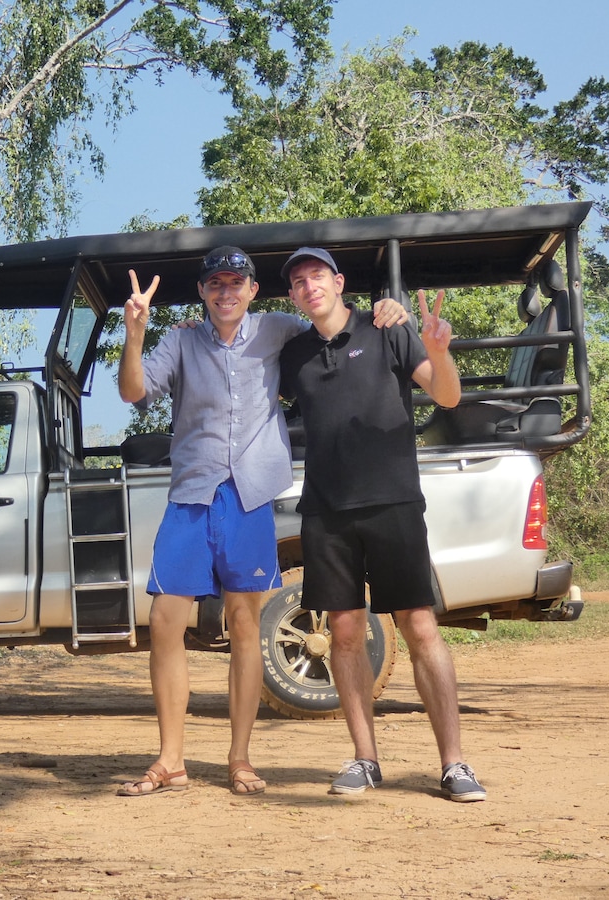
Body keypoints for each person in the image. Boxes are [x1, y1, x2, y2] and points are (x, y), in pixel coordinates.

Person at [115, 247, 406, 797]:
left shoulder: (278, 329)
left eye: (236, 283)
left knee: (245, 627)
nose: (226, 292)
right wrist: (135, 332)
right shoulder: (179, 340)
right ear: (202, 293)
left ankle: (240, 758)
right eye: (215, 284)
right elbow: (133, 391)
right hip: (191, 496)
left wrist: (387, 311)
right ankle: (170, 760)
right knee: (164, 623)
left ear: (253, 290)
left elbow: (332, 324)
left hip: (248, 500)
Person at [277, 246, 487, 803]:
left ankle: (455, 764)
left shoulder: (387, 327)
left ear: (338, 281)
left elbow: (447, 394)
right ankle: (365, 759)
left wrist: (440, 351)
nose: (308, 286)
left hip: (393, 503)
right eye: (297, 282)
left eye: (316, 275)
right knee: (343, 633)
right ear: (293, 296)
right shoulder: (293, 353)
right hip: (325, 512)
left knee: (419, 627)